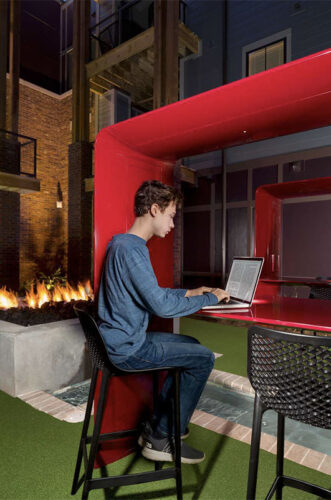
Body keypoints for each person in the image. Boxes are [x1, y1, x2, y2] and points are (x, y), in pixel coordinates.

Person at [98, 180, 229, 464]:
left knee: (191, 345)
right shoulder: (132, 249)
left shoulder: (122, 244)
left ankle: (158, 428)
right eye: (171, 215)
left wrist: (189, 292)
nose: (172, 224)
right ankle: (163, 437)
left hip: (121, 340)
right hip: (128, 348)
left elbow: (152, 294)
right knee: (203, 358)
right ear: (154, 210)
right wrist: (211, 299)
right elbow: (160, 306)